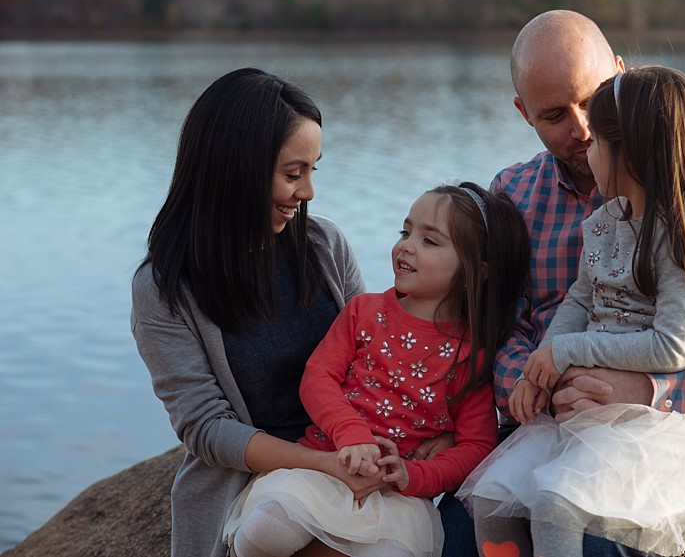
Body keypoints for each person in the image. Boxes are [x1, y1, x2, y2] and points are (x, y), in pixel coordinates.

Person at [438, 10, 685, 556]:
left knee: (591, 538)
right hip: (549, 422)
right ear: (524, 115)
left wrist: (655, 389)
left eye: (592, 101)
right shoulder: (514, 195)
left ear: (620, 73)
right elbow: (497, 328)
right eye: (554, 115)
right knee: (456, 530)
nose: (582, 129)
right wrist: (547, 383)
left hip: (659, 429)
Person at [132, 67, 375, 557]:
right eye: (292, 173)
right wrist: (317, 464)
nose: (307, 192)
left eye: (312, 170)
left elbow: (373, 358)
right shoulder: (163, 288)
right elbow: (206, 429)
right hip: (249, 487)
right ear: (237, 168)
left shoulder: (324, 245)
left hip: (346, 455)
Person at [220, 182, 531, 557]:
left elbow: (476, 445)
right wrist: (350, 434)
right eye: (406, 231)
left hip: (396, 496)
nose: (406, 246)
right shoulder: (364, 312)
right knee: (263, 534)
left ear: (475, 270)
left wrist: (413, 475)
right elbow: (318, 378)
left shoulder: (472, 354)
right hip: (324, 467)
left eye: (430, 241)